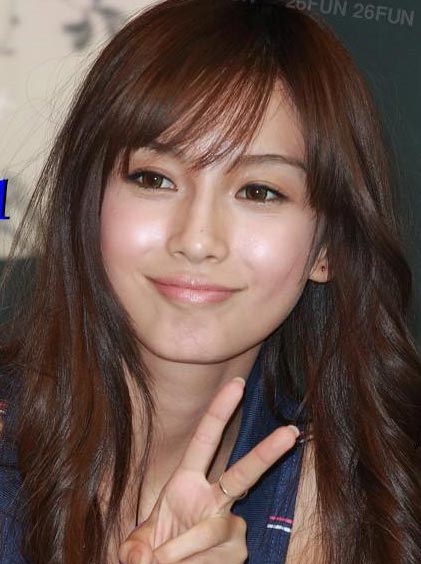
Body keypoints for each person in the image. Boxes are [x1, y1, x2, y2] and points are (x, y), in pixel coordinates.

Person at [0, 0, 420, 562]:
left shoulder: (363, 504)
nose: (197, 240)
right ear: (86, 206)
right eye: (154, 178)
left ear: (327, 250)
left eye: (259, 191)